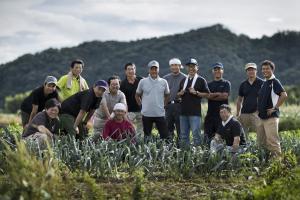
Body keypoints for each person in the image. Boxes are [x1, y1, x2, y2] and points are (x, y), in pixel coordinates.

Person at [257, 60, 288, 157]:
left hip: (271, 117)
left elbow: (284, 95)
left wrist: (275, 108)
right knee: (261, 143)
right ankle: (265, 163)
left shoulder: (275, 82)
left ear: (272, 70)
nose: (264, 70)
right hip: (261, 118)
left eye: (267, 69)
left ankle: (277, 166)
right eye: (263, 69)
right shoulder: (264, 83)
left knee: (273, 143)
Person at [177, 58, 210, 147]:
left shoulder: (201, 80)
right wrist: (179, 94)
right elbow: (178, 94)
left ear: (197, 68)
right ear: (187, 68)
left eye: (193, 66)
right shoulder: (183, 80)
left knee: (196, 135)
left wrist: (196, 92)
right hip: (183, 112)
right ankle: (185, 156)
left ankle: (197, 156)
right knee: (183, 135)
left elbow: (207, 94)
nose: (191, 68)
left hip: (195, 113)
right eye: (189, 66)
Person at [135, 60, 170, 141]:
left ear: (158, 70)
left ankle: (166, 152)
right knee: (147, 137)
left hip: (160, 113)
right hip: (147, 114)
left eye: (155, 69)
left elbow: (167, 95)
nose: (154, 71)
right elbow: (137, 95)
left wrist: (164, 105)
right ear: (149, 70)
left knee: (165, 136)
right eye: (152, 69)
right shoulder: (143, 81)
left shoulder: (164, 82)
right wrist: (141, 106)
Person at [204, 62, 231, 145]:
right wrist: (218, 94)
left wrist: (212, 95)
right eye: (215, 70)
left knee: (222, 139)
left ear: (222, 71)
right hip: (210, 115)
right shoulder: (209, 84)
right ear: (213, 71)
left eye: (219, 69)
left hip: (222, 116)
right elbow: (207, 96)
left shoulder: (226, 83)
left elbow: (225, 96)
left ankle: (221, 157)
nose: (217, 71)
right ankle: (208, 156)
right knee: (207, 138)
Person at [93, 76, 127, 140]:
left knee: (112, 140)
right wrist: (109, 118)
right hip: (101, 120)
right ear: (109, 85)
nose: (115, 86)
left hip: (114, 120)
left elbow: (124, 107)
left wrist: (125, 121)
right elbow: (104, 105)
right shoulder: (104, 93)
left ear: (119, 85)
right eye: (113, 84)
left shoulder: (121, 95)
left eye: (117, 84)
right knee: (98, 138)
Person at [236, 63, 264, 141]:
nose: (251, 71)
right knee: (242, 136)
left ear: (256, 71)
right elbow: (239, 100)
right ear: (246, 72)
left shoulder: (262, 83)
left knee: (261, 134)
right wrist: (238, 113)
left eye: (253, 69)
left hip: (257, 114)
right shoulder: (243, 84)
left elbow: (265, 99)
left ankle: (260, 150)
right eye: (249, 70)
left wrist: (259, 111)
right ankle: (245, 150)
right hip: (244, 113)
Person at [163, 58, 186, 145]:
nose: (174, 67)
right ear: (170, 67)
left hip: (180, 106)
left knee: (180, 129)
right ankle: (169, 148)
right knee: (168, 129)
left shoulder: (185, 78)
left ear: (180, 66)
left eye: (176, 65)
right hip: (168, 106)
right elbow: (162, 93)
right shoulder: (165, 78)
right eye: (172, 65)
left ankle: (180, 149)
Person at [120, 63, 143, 135]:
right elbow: (122, 99)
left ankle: (140, 144)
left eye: (132, 69)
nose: (130, 71)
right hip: (129, 111)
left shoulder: (141, 80)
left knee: (141, 132)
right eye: (128, 69)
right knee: (128, 131)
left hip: (141, 110)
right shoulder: (122, 84)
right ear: (125, 71)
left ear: (135, 70)